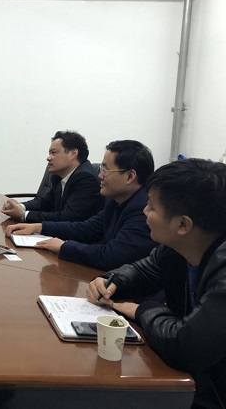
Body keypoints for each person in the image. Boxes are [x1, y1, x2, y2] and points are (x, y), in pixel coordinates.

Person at [87, 159, 226, 408]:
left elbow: (187, 347)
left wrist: (143, 310)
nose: (144, 212)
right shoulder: (177, 248)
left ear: (183, 224)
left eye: (151, 207)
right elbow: (143, 270)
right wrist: (112, 280)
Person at [5, 140, 157, 270]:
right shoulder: (115, 200)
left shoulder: (144, 209)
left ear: (130, 176)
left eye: (105, 169)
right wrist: (39, 227)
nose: (100, 175)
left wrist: (64, 247)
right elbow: (86, 228)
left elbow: (112, 256)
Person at [1, 131, 104, 223]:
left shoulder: (86, 178)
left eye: (53, 153)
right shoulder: (59, 175)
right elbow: (45, 202)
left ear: (73, 154)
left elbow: (68, 217)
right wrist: (20, 206)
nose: (48, 158)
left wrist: (24, 215)